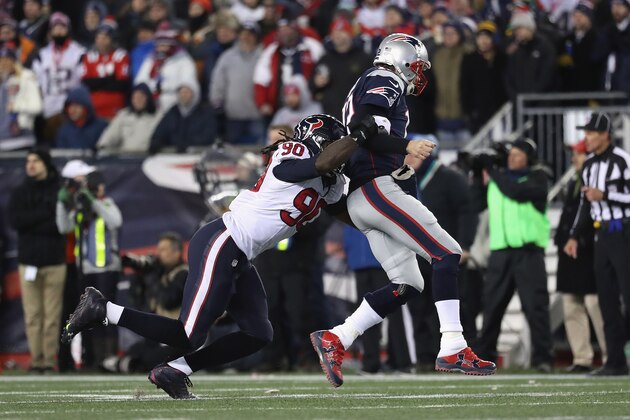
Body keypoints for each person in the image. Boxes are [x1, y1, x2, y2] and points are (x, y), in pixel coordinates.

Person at [61, 113, 400, 398]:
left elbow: (350, 211)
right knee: (188, 335)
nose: (339, 154)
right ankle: (104, 309)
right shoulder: (291, 152)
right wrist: (361, 132)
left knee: (258, 333)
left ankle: (174, 370)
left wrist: (391, 224)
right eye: (334, 143)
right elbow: (325, 159)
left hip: (240, 255)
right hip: (223, 242)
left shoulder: (328, 182)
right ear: (317, 139)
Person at [310, 33, 496, 389]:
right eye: (417, 65)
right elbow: (364, 128)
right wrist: (406, 145)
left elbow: (368, 131)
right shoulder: (384, 77)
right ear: (400, 58)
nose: (419, 73)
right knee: (448, 252)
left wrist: (402, 163)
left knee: (409, 283)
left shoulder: (375, 81)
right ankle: (454, 345)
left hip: (366, 194)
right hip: (374, 188)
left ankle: (338, 337)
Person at [476, 138, 553, 372]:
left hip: (529, 252)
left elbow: (516, 192)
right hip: (500, 252)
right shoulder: (496, 180)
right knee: (492, 308)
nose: (512, 158)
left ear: (529, 158)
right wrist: (481, 168)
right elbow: (476, 199)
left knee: (535, 307)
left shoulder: (538, 178)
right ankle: (484, 357)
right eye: (511, 154)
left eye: (519, 155)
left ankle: (543, 359)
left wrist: (492, 170)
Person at [564, 112, 630, 376]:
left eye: (592, 133)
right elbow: (584, 204)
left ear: (605, 134)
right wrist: (573, 235)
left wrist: (607, 195)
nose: (587, 138)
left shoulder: (623, 161)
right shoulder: (590, 165)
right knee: (606, 300)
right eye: (586, 133)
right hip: (601, 235)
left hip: (623, 232)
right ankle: (615, 361)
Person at [56, 168, 123, 369]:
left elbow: (115, 221)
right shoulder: (80, 207)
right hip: (85, 269)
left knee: (108, 313)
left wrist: (93, 201)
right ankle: (93, 359)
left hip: (107, 268)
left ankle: (110, 359)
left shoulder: (106, 203)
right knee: (88, 315)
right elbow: (63, 227)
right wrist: (62, 203)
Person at [8, 148, 66, 373]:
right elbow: (16, 221)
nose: (30, 165)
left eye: (36, 161)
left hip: (54, 261)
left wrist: (32, 222)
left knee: (52, 316)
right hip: (29, 261)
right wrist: (44, 214)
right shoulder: (20, 192)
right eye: (28, 161)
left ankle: (49, 361)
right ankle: (36, 360)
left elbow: (59, 225)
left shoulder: (58, 190)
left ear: (46, 164)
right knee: (32, 315)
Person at [101, 232, 188, 373]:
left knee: (152, 358)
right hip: (161, 336)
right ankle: (123, 363)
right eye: (158, 249)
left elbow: (168, 301)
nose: (159, 254)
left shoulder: (184, 273)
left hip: (178, 337)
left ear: (177, 252)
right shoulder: (161, 274)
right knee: (135, 350)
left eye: (164, 250)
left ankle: (128, 365)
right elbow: (141, 307)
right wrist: (138, 276)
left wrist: (151, 277)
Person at [555, 139, 606, 373]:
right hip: (569, 251)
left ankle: (611, 355)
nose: (574, 158)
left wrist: (581, 239)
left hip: (590, 250)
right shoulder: (575, 180)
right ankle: (582, 358)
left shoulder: (598, 180)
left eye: (579, 154)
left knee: (596, 303)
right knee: (571, 305)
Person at [31, 12, 86, 144]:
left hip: (70, 110)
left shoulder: (79, 53)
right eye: (55, 27)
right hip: (48, 110)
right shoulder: (42, 54)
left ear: (68, 29)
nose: (59, 31)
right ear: (50, 31)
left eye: (62, 27)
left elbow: (83, 81)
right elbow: (36, 82)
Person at [210, 22, 263, 145]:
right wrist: (217, 101)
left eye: (250, 34)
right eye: (243, 34)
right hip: (232, 115)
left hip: (257, 115)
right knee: (233, 155)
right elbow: (218, 81)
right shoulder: (227, 56)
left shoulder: (264, 55)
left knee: (260, 152)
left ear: (256, 37)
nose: (245, 37)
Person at [310, 17, 372, 120]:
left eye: (341, 31)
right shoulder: (325, 59)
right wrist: (316, 83)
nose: (337, 35)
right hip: (332, 116)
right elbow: (312, 86)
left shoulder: (364, 58)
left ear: (350, 34)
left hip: (358, 116)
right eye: (334, 32)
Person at [79, 18, 130, 120]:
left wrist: (97, 83)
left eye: (105, 37)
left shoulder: (121, 55)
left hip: (115, 111)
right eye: (99, 36)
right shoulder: (89, 56)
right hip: (93, 111)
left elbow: (121, 84)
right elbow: (87, 83)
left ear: (112, 39)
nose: (101, 40)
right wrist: (109, 79)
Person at [148, 82, 216, 153]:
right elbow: (160, 132)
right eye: (181, 92)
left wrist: (186, 144)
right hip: (173, 154)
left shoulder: (205, 112)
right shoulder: (172, 112)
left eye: (186, 92)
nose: (183, 95)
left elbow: (209, 136)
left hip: (197, 153)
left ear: (194, 93)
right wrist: (156, 143)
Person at [97, 83, 160, 153]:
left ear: (148, 98)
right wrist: (102, 146)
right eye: (135, 97)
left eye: (141, 97)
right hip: (125, 156)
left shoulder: (158, 116)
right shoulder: (124, 114)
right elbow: (112, 133)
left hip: (147, 156)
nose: (138, 100)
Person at [55, 85, 108, 150]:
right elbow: (60, 156)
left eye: (76, 106)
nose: (72, 110)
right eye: (69, 106)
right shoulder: (63, 130)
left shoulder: (101, 127)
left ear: (86, 107)